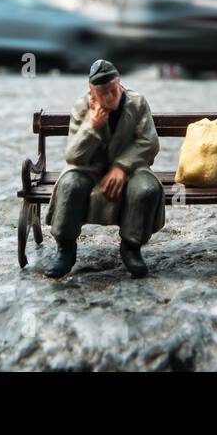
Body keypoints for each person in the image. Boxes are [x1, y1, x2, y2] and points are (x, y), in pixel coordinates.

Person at [44, 59, 165, 278]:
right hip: (89, 169)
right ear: (92, 94)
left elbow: (149, 142)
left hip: (132, 169)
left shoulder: (137, 104)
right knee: (71, 186)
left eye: (113, 90)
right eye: (102, 93)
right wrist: (92, 127)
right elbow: (73, 155)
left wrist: (122, 166)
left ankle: (131, 246)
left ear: (120, 84)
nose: (110, 97)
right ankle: (65, 248)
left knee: (146, 190)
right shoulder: (82, 107)